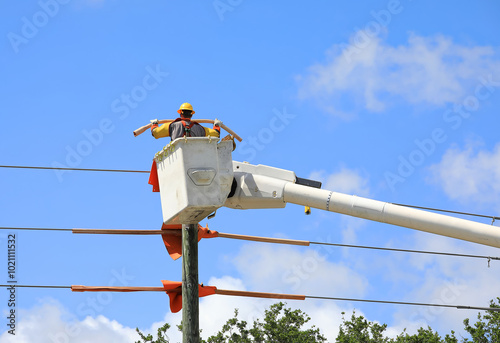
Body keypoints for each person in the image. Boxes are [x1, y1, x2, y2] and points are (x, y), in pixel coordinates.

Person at [150, 102, 222, 141]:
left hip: (177, 158)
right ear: (192, 115)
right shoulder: (200, 128)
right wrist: (216, 125)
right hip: (196, 158)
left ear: (180, 113)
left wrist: (154, 124)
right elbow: (216, 134)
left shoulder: (172, 126)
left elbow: (156, 133)